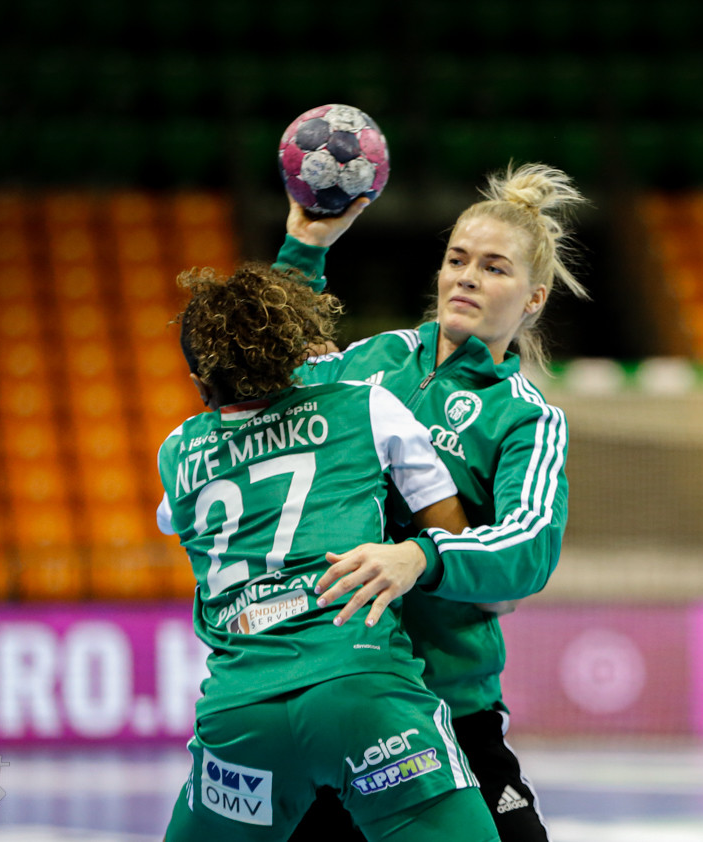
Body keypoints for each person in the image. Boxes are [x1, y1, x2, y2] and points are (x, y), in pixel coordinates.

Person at [276, 163, 590, 842]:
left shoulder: (525, 417)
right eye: (457, 259)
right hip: (342, 693)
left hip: (449, 703)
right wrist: (305, 247)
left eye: (494, 268)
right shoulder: (379, 358)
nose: (467, 277)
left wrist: (419, 558)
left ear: (533, 299)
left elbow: (529, 547)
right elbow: (273, 383)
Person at [156, 262, 500, 842]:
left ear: (200, 382)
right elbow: (454, 537)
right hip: (361, 691)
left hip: (241, 717)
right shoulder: (367, 405)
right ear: (295, 347)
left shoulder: (176, 452)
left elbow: (171, 516)